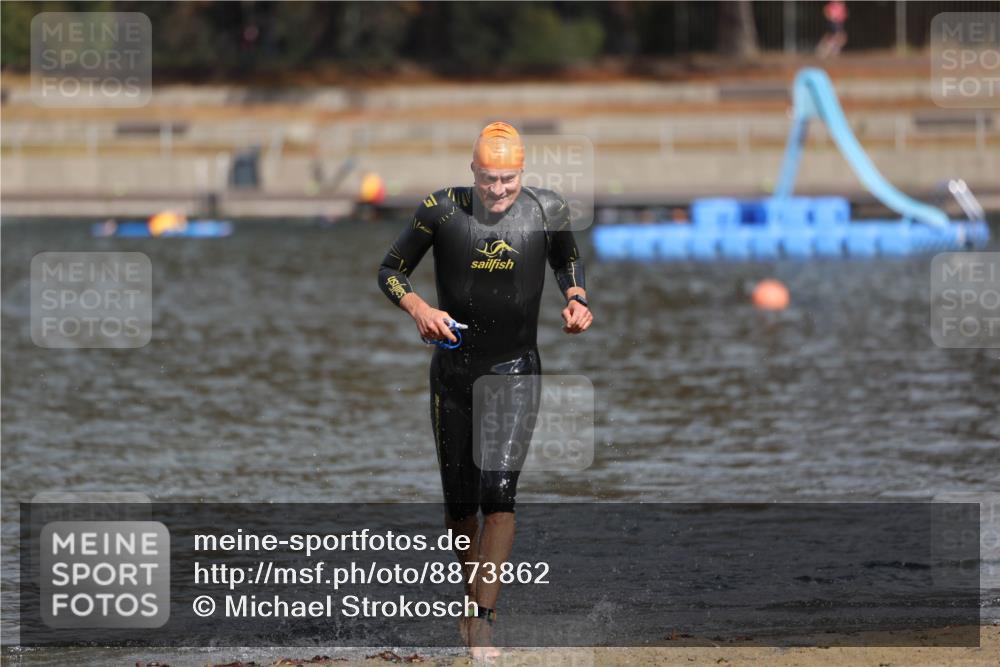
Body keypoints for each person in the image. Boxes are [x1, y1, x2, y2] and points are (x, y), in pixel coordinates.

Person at [377, 122, 592, 659]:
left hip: (515, 371)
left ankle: (482, 625)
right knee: (460, 508)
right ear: (472, 171)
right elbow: (390, 270)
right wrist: (419, 308)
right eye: (490, 179)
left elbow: (566, 258)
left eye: (510, 179)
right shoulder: (442, 209)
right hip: (452, 374)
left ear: (523, 174)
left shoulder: (546, 210)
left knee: (498, 495)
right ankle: (470, 606)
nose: (499, 190)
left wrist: (576, 296)